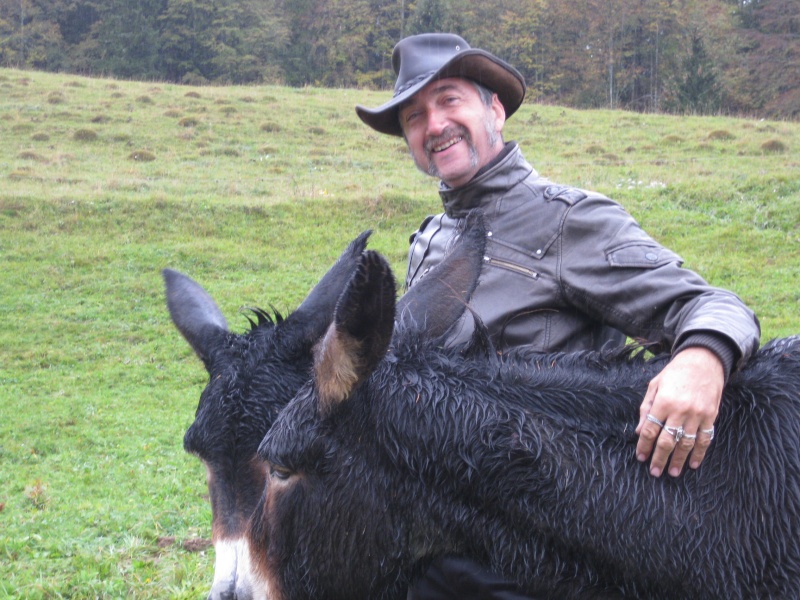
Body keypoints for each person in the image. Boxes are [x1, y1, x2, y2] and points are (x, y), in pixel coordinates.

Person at [356, 33, 761, 599]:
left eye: (449, 101)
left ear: (495, 110)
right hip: (451, 531)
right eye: (414, 117)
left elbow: (712, 305)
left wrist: (702, 359)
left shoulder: (567, 221)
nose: (435, 125)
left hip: (554, 549)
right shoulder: (430, 239)